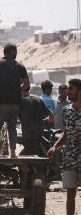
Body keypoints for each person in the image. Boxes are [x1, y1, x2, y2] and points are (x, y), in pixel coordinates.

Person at [0, 43, 29, 158]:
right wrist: (17, 90)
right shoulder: (20, 66)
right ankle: (13, 153)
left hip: (1, 103)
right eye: (16, 51)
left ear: (4, 52)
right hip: (15, 103)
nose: (17, 53)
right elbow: (27, 84)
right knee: (12, 128)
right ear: (13, 52)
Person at [47, 78, 80, 215]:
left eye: (71, 89)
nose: (68, 92)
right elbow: (66, 133)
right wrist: (55, 146)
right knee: (70, 194)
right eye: (67, 89)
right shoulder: (66, 110)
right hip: (69, 159)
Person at [18, 87, 54, 175]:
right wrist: (44, 121)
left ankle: (39, 178)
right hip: (39, 134)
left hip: (28, 135)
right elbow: (51, 115)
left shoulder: (20, 101)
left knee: (30, 159)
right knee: (40, 154)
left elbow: (13, 117)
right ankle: (45, 175)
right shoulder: (38, 99)